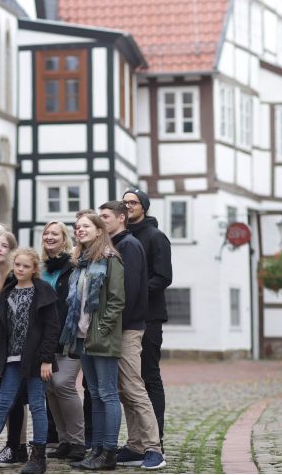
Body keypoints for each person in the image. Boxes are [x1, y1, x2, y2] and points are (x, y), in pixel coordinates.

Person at [0, 248, 60, 474]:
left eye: (26, 266)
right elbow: (0, 332)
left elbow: (52, 328)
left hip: (36, 360)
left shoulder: (43, 291)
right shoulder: (6, 294)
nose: (21, 270)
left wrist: (46, 360)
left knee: (37, 406)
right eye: (17, 265)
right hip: (11, 360)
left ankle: (38, 457)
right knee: (3, 405)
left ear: (34, 268)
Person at [98, 202, 164, 470]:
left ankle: (154, 448)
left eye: (105, 217)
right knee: (125, 389)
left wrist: (117, 324)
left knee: (135, 388)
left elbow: (131, 290)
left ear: (121, 218)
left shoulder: (129, 245)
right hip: (118, 327)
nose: (101, 221)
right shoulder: (117, 244)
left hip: (127, 327)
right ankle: (136, 445)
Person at [62, 213, 125, 472]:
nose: (80, 230)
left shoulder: (111, 260)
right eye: (77, 227)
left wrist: (99, 329)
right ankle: (97, 449)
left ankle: (109, 452)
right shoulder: (81, 262)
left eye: (86, 226)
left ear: (100, 230)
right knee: (95, 394)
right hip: (81, 336)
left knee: (109, 394)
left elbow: (117, 300)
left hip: (101, 336)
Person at [123, 188, 172, 451]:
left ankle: (157, 438)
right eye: (125, 202)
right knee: (130, 381)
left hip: (149, 317)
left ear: (144, 206)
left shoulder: (155, 237)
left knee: (149, 376)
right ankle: (136, 440)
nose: (128, 205)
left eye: (133, 202)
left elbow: (163, 277)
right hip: (126, 318)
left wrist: (134, 294)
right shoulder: (120, 237)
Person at [39, 221, 85, 463]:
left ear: (64, 238)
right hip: (44, 337)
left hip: (69, 336)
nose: (49, 236)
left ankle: (78, 441)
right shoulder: (40, 267)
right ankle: (64, 440)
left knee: (63, 384)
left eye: (54, 233)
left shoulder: (73, 265)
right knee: (50, 388)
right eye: (46, 233)